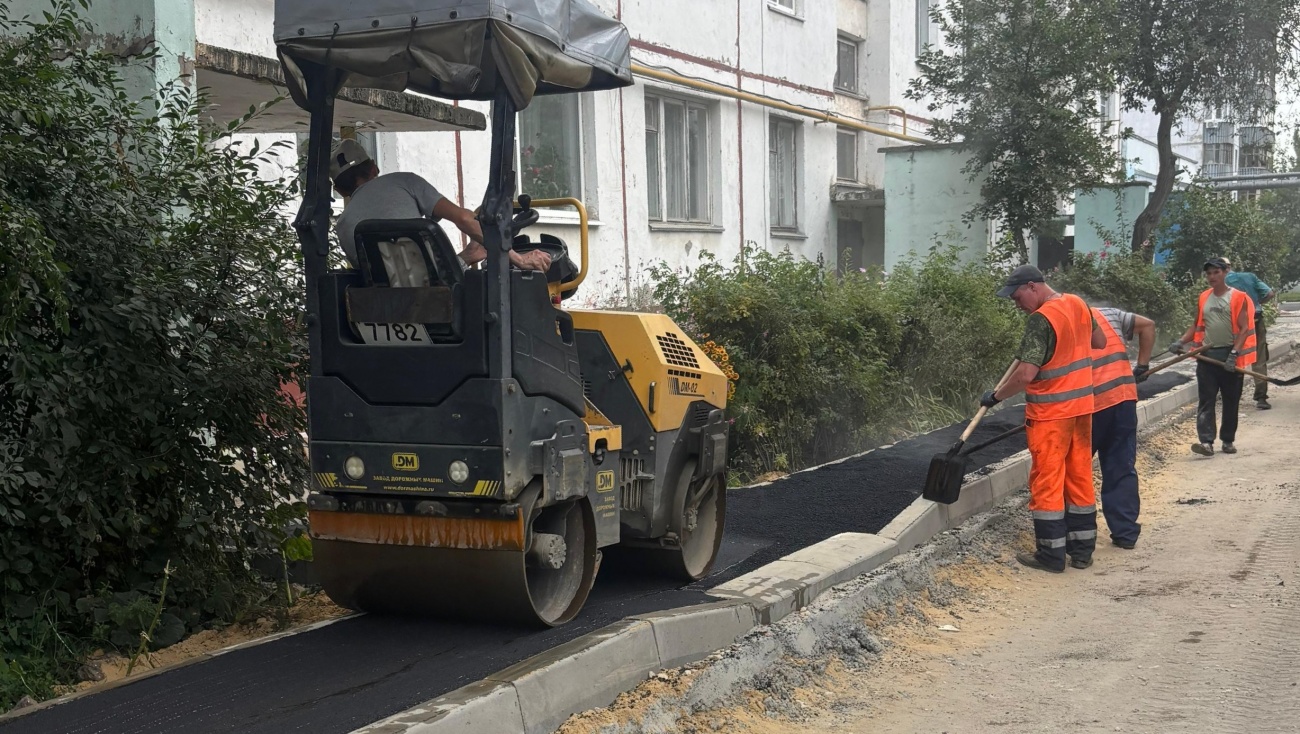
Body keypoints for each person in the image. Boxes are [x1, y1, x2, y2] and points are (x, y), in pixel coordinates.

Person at [981, 265, 1106, 573]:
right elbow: (1099, 342)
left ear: (1033, 286)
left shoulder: (1041, 319)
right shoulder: (1077, 303)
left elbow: (1025, 375)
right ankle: (1081, 551)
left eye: (1017, 296)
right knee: (1079, 476)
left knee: (1047, 481)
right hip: (1081, 410)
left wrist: (995, 397)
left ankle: (1051, 555)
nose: (1016, 303)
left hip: (1052, 415)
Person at [328, 139, 550, 273]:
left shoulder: (343, 225)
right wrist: (519, 259)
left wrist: (468, 256)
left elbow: (395, 276)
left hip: (387, 306)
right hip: (439, 297)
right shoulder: (405, 181)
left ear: (339, 190)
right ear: (374, 169)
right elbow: (464, 219)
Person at [1170, 257, 1257, 456]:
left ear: (1225, 272)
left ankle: (1227, 440)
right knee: (1206, 400)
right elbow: (1196, 325)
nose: (1211, 277)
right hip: (1207, 357)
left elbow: (1244, 329)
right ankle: (1206, 442)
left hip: (1229, 357)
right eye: (1208, 273)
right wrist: (1181, 342)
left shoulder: (1238, 297)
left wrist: (1234, 355)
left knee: (1231, 400)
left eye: (1216, 272)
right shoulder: (1203, 297)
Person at [1089, 305, 1156, 550]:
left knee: (1075, 470)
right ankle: (1125, 533)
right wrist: (1143, 365)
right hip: (1123, 399)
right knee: (1121, 465)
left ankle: (1078, 535)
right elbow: (1148, 325)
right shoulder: (1109, 313)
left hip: (1090, 405)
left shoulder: (1063, 318)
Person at [1223, 258, 1275, 410]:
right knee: (1259, 360)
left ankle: (1231, 396)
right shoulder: (1249, 277)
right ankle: (1261, 398)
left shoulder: (1220, 283)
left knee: (1233, 358)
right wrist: (1256, 303)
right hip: (1255, 321)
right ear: (1230, 266)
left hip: (1233, 326)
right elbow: (1270, 293)